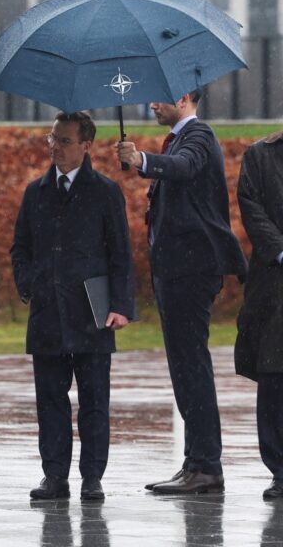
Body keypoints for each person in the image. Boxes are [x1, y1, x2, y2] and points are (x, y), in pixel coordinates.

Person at [117, 91, 247, 495]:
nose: (151, 104)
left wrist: (142, 161)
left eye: (159, 98)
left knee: (192, 366)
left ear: (186, 97)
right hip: (176, 270)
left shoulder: (199, 135)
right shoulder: (178, 137)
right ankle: (195, 462)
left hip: (191, 269)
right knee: (184, 367)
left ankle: (206, 466)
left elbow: (185, 167)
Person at [11, 111, 134, 502]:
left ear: (86, 145)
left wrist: (120, 305)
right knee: (50, 401)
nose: (55, 148)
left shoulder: (105, 192)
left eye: (64, 141)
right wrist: (29, 284)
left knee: (95, 401)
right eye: (52, 139)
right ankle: (55, 477)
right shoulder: (36, 192)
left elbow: (121, 254)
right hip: (47, 313)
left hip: (92, 314)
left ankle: (92, 478)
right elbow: (21, 248)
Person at [234, 129, 283, 500]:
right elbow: (251, 206)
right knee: (273, 374)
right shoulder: (259, 156)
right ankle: (280, 469)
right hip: (273, 279)